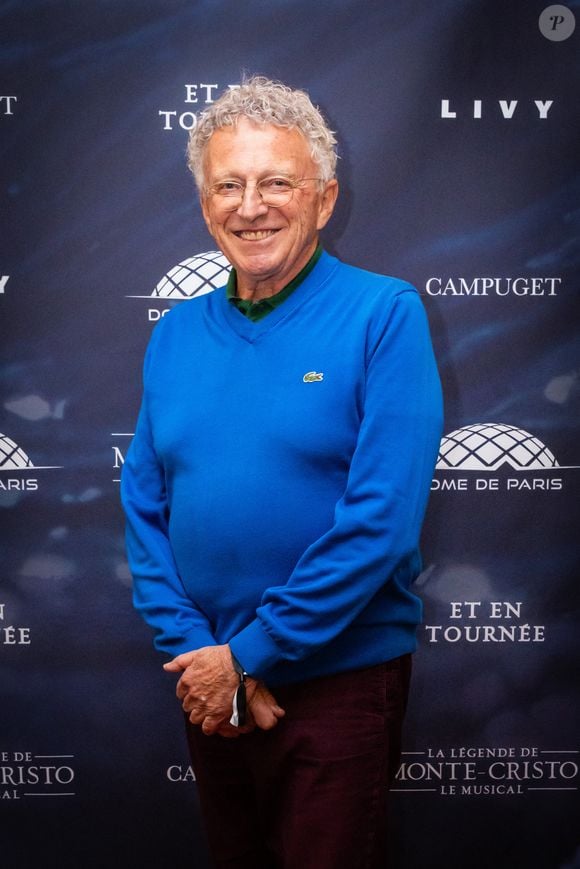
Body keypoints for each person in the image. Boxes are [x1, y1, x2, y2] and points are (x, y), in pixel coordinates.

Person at [121, 75, 443, 869]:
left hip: (338, 680)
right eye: (228, 185)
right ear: (205, 205)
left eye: (276, 183)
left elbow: (381, 520)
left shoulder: (384, 314)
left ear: (323, 200)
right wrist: (205, 659)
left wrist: (253, 654)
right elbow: (143, 507)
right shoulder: (175, 334)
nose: (250, 206)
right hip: (208, 679)